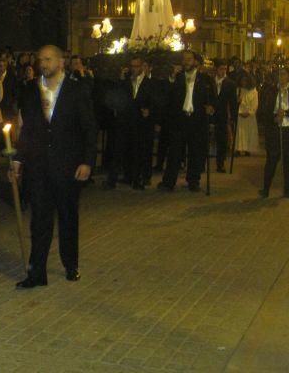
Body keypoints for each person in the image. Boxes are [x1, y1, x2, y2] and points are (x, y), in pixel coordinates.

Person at [12, 45, 96, 288]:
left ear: (61, 63)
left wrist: (87, 161)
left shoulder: (76, 89)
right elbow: (26, 129)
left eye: (48, 60)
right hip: (38, 166)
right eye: (41, 60)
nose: (43, 64)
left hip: (67, 165)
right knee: (39, 219)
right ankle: (36, 272)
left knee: (68, 217)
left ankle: (71, 264)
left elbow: (89, 127)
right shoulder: (29, 90)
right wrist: (18, 160)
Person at [158, 50, 213, 192]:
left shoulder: (204, 80)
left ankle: (193, 181)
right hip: (180, 119)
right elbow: (169, 97)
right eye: (184, 60)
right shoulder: (178, 78)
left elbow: (211, 99)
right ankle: (169, 181)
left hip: (197, 120)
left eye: (189, 59)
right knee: (175, 152)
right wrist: (172, 78)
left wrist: (210, 108)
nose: (186, 62)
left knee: (195, 152)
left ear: (195, 61)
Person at [106, 56, 154, 190]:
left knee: (137, 151)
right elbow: (117, 96)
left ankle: (136, 178)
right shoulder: (125, 81)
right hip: (125, 120)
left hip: (139, 122)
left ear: (142, 66)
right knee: (118, 149)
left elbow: (152, 100)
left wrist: (148, 110)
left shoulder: (148, 83)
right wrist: (121, 79)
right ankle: (112, 179)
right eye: (132, 66)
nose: (134, 69)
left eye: (137, 66)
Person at [258, 69, 288, 198]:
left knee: (287, 161)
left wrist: (286, 113)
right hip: (275, 130)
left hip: (287, 129)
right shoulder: (270, 91)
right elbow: (263, 111)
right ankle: (266, 188)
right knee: (272, 160)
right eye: (278, 74)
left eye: (283, 74)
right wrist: (274, 117)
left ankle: (287, 190)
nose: (281, 77)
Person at [210, 59, 238, 171]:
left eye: (225, 69)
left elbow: (232, 102)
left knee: (221, 140)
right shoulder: (210, 82)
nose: (223, 71)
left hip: (222, 115)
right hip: (210, 114)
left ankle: (220, 163)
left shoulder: (230, 84)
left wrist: (233, 118)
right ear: (216, 69)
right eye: (221, 69)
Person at [234, 73, 259, 155]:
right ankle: (238, 149)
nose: (243, 82)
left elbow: (255, 104)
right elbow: (234, 102)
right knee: (239, 133)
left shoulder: (254, 91)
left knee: (249, 133)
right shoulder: (238, 90)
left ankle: (248, 149)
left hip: (249, 115)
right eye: (242, 80)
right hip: (239, 114)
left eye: (245, 80)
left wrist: (249, 113)